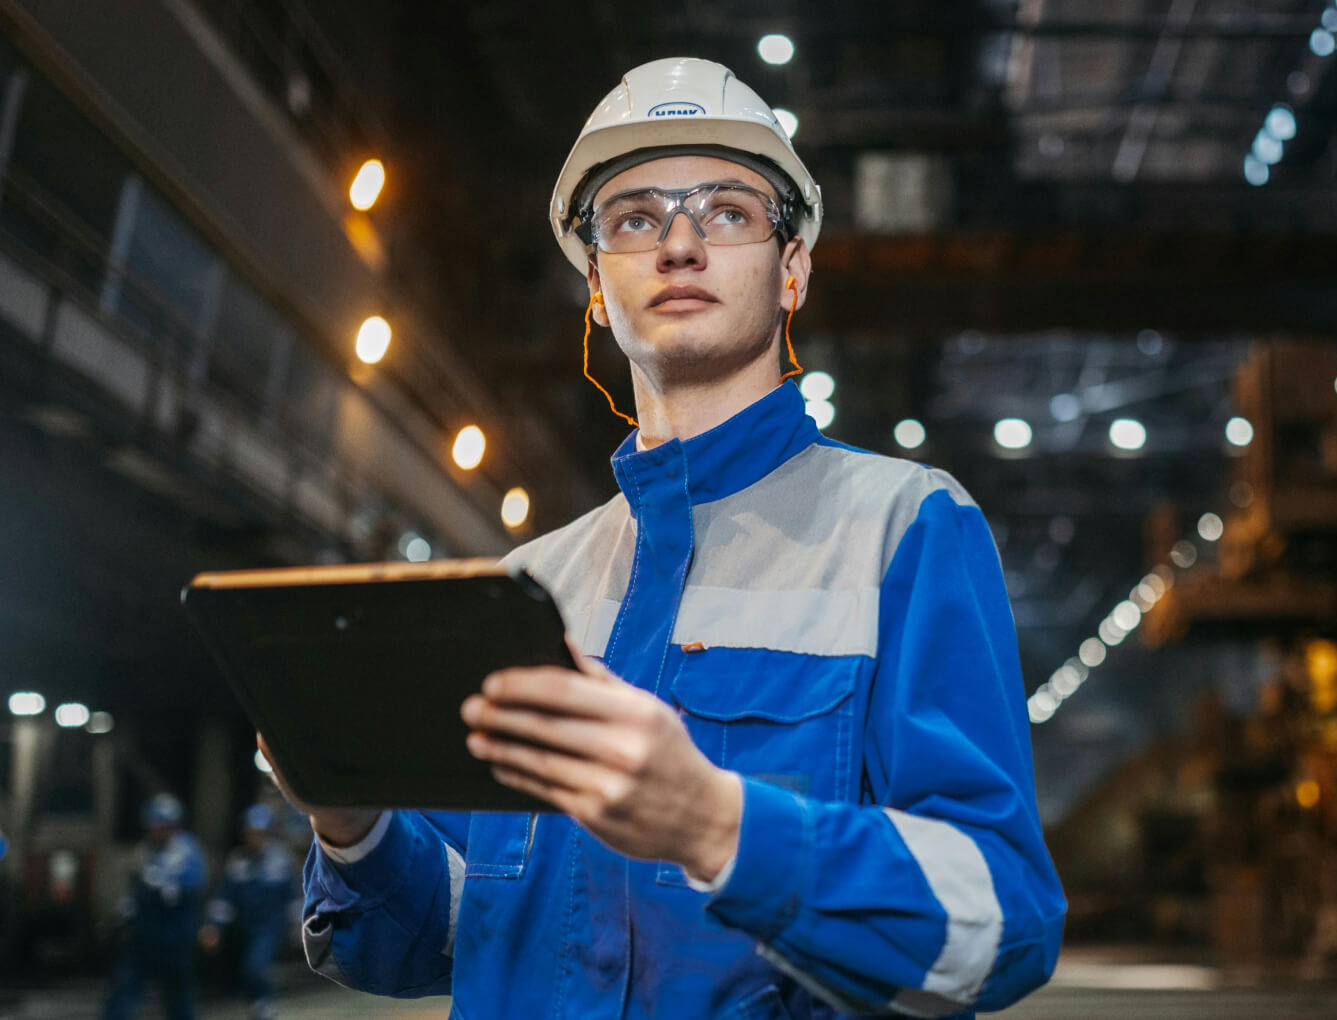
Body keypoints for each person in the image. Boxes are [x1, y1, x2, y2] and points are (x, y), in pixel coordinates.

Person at [278, 56, 1065, 1017]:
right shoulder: (527, 585)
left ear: (794, 270)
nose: (679, 243)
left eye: (727, 211)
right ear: (598, 289)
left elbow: (1003, 920)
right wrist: (349, 815)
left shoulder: (905, 529)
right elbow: (445, 936)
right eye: (636, 218)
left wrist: (721, 829)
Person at [104, 793, 206, 1020]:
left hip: (175, 937)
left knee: (178, 997)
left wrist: (157, 884)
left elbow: (189, 888)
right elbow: (136, 891)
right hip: (143, 936)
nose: (156, 831)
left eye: (162, 826)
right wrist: (123, 912)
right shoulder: (145, 851)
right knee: (124, 990)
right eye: (153, 826)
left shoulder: (188, 851)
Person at [201, 804, 296, 1020]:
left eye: (261, 834)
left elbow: (294, 896)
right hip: (243, 928)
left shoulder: (281, 861)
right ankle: (257, 1005)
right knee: (241, 971)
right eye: (251, 834)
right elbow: (225, 897)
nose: (256, 839)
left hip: (270, 927)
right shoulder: (238, 861)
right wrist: (213, 926)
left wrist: (299, 926)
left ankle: (264, 1008)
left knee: (255, 967)